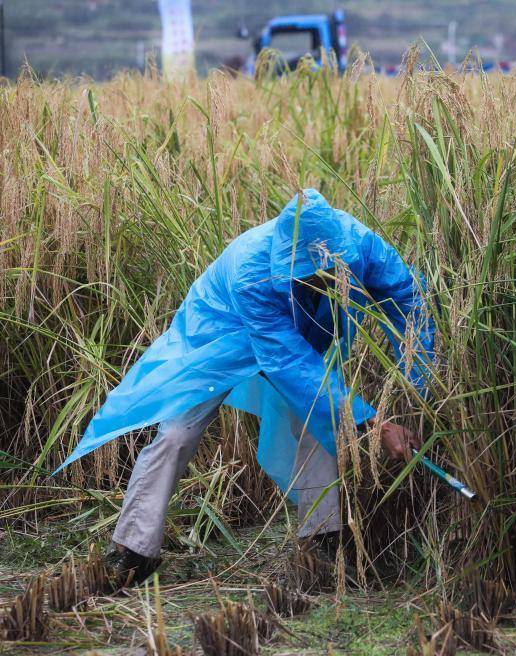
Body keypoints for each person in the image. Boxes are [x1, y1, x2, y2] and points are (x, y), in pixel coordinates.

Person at [56, 188, 435, 586]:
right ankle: (133, 551)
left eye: (327, 274)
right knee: (177, 433)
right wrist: (373, 425)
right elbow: (290, 364)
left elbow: (411, 302)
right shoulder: (254, 273)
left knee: (316, 425)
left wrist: (418, 392)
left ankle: (323, 545)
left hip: (297, 340)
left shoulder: (360, 246)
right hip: (219, 331)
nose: (320, 281)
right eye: (308, 275)